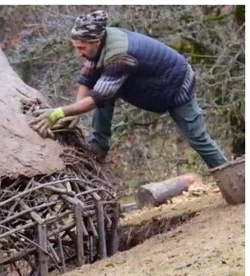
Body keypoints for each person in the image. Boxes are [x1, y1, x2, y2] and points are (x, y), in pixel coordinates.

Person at [30, 10, 228, 169]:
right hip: (149, 84)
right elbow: (88, 78)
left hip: (177, 85)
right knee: (102, 89)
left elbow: (97, 97)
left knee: (198, 139)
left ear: (95, 41)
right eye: (75, 47)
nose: (78, 52)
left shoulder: (119, 55)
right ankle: (98, 147)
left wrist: (57, 113)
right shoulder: (98, 46)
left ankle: (231, 177)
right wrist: (74, 111)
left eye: (81, 47)